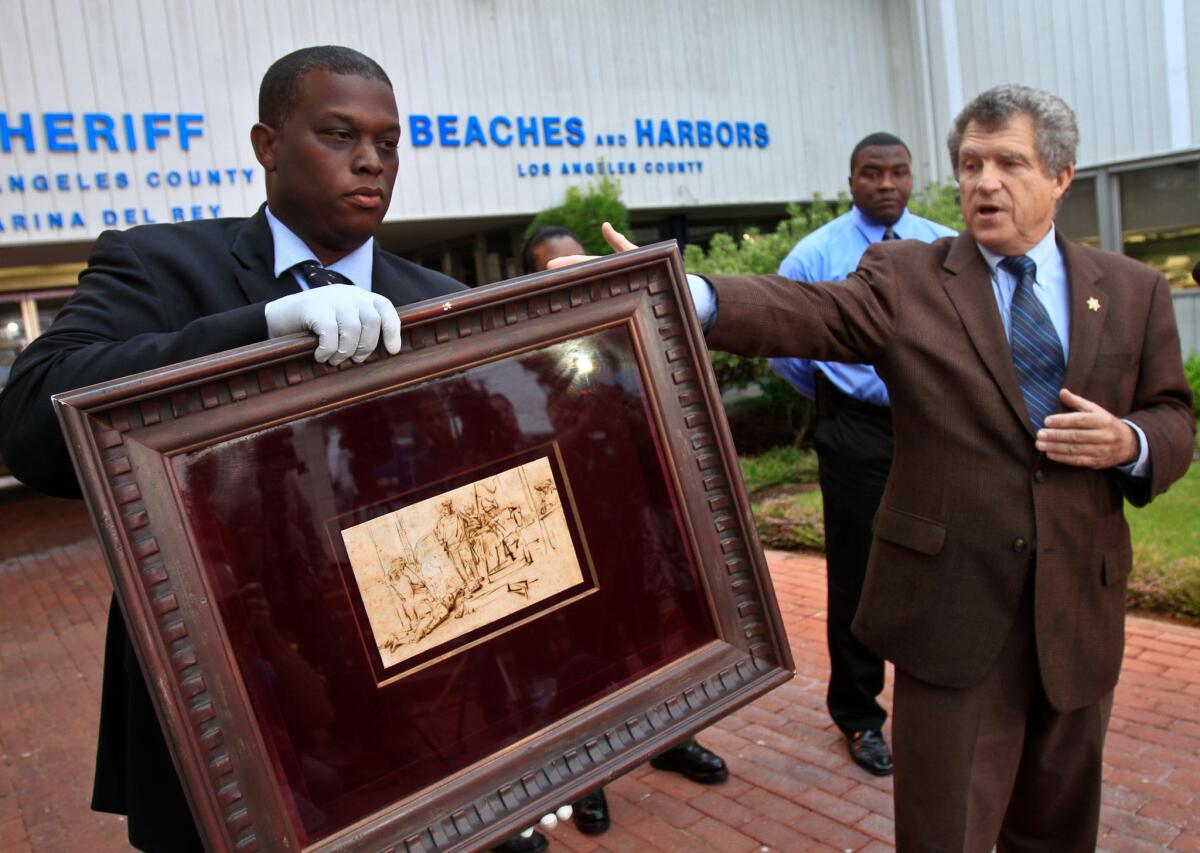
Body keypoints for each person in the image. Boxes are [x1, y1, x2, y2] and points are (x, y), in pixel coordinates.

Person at [577, 85, 1195, 852]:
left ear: (1063, 176)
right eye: (970, 164)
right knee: (947, 833)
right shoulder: (909, 276)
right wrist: (689, 292)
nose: (984, 182)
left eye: (1009, 162)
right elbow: (810, 311)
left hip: (1078, 618)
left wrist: (1130, 441)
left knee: (1059, 830)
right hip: (957, 621)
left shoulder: (1130, 291)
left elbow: (1173, 414)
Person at [0, 46, 550, 853]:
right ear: (267, 144)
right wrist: (251, 334)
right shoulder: (159, 267)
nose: (371, 160)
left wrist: (544, 726)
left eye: (389, 142)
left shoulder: (445, 305)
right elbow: (31, 429)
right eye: (338, 134)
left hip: (415, 710)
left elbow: (501, 509)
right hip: (226, 708)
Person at [522, 225, 730, 838]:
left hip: (638, 522)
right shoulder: (527, 357)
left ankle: (672, 739)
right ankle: (586, 777)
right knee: (584, 658)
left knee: (660, 642)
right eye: (551, 270)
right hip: (572, 535)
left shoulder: (623, 340)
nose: (568, 281)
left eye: (575, 268)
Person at [770, 132, 956, 776]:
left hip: (933, 427)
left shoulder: (941, 245)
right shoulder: (814, 255)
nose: (885, 183)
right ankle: (858, 717)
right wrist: (838, 392)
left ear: (913, 178)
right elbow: (783, 347)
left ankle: (935, 708)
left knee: (938, 564)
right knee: (860, 574)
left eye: (898, 171)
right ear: (851, 181)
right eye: (871, 173)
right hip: (855, 433)